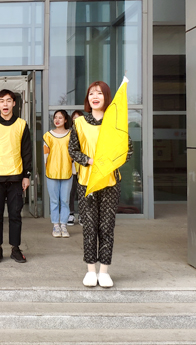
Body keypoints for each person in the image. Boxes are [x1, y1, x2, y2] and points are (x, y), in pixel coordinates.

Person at [69, 81, 132, 288]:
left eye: (99, 93)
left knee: (106, 227)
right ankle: (90, 270)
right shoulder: (79, 123)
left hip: (110, 182)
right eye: (91, 94)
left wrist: (109, 162)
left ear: (106, 97)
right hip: (86, 182)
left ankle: (104, 271)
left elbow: (128, 150)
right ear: (87, 99)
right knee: (89, 227)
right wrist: (88, 160)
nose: (95, 97)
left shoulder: (115, 123)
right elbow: (72, 150)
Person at [0, 89, 32, 264]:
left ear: (14, 103)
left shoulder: (22, 124)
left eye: (9, 100)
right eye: (2, 101)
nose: (5, 104)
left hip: (16, 177)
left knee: (15, 215)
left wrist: (26, 175)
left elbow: (27, 152)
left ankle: (15, 248)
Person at [43, 110, 73, 239]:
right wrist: (47, 169)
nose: (57, 120)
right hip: (52, 172)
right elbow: (45, 155)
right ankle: (56, 225)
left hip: (67, 172)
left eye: (60, 118)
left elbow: (74, 153)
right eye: (55, 117)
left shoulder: (71, 135)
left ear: (65, 120)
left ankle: (64, 225)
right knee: (54, 200)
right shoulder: (48, 136)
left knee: (65, 200)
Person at [68, 110, 85, 226]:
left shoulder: (86, 132)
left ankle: (82, 215)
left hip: (83, 167)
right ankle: (71, 214)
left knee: (83, 193)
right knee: (71, 192)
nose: (76, 120)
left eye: (78, 118)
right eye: (74, 118)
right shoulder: (68, 133)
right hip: (71, 167)